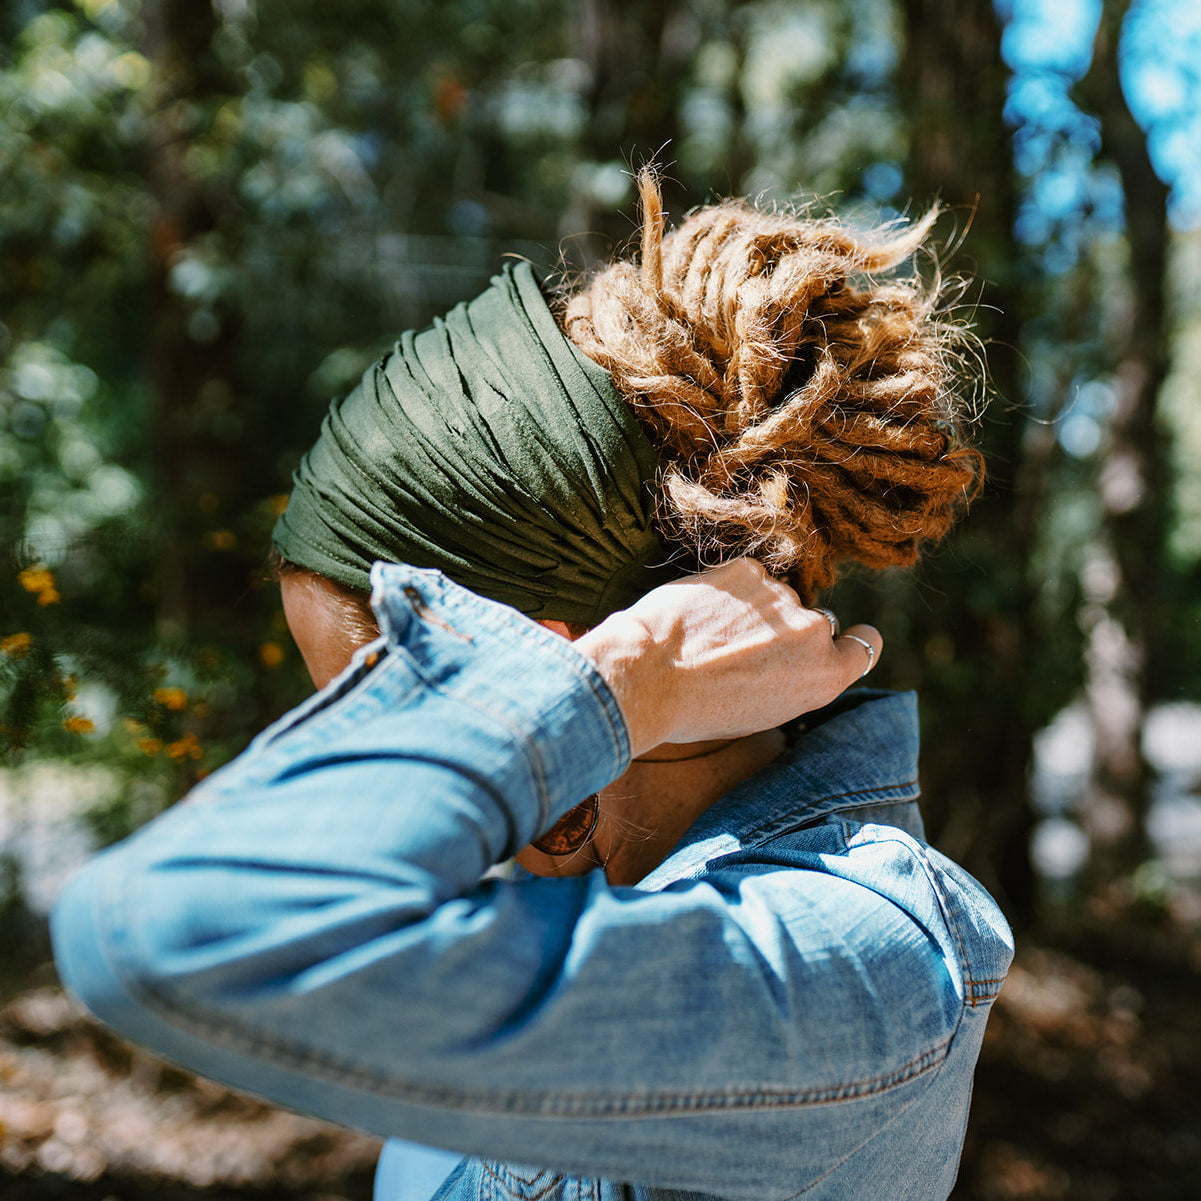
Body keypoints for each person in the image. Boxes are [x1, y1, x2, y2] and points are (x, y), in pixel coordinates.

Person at [52, 173, 1013, 1201]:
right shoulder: (518, 915)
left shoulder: (861, 964)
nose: (355, 749)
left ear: (547, 656)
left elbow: (165, 932)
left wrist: (620, 683)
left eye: (379, 692)